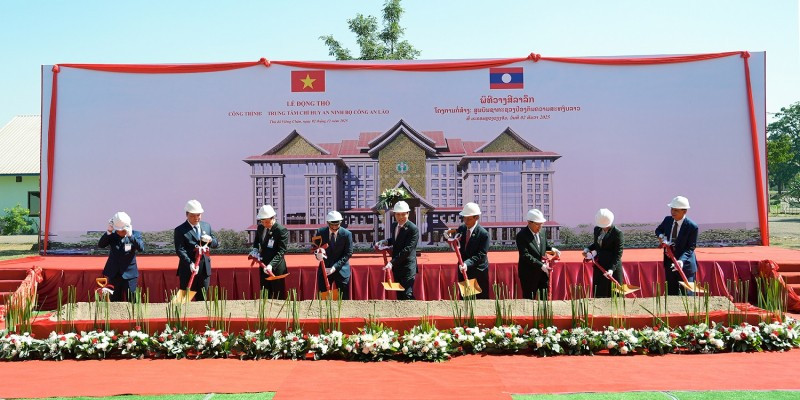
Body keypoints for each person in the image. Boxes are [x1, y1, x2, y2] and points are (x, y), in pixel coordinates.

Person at [174, 199, 219, 301]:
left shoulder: (206, 226)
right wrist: (190, 263)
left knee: (203, 300)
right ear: (187, 215)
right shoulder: (180, 230)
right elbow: (180, 250)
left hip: (204, 269)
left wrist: (211, 240)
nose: (196, 218)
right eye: (192, 215)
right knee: (184, 299)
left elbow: (215, 243)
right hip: (188, 269)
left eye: (198, 215)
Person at [655, 196, 698, 295]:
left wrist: (681, 261)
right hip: (670, 263)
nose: (673, 212)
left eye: (676, 210)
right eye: (672, 209)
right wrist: (661, 235)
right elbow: (658, 229)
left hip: (685, 265)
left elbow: (690, 247)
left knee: (687, 295)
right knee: (671, 294)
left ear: (684, 211)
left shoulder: (692, 226)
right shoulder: (668, 220)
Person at [98, 211, 144, 302]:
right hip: (114, 273)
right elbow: (101, 245)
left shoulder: (135, 234)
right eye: (118, 231)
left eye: (122, 231)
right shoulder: (112, 236)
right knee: (114, 299)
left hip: (129, 274)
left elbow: (141, 248)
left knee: (132, 299)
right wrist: (109, 231)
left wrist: (131, 236)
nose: (120, 233)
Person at [450, 202, 491, 299]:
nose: (466, 221)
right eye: (464, 218)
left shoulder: (483, 234)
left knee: (478, 300)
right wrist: (449, 237)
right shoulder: (462, 229)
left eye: (469, 219)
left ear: (476, 218)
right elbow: (457, 241)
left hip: (477, 271)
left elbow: (481, 255)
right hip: (463, 270)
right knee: (466, 300)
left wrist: (467, 264)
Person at [516, 209, 559, 299]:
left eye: (541, 224)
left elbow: (545, 247)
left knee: (544, 299)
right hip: (529, 274)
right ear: (529, 223)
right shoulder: (521, 235)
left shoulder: (542, 232)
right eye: (537, 224)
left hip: (543, 274)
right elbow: (525, 255)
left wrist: (553, 250)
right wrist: (541, 265)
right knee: (529, 300)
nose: (540, 227)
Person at [380, 201, 419, 300]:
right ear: (394, 214)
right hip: (397, 267)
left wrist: (391, 262)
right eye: (398, 214)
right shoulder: (394, 225)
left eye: (403, 214)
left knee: (407, 294)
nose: (400, 217)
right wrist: (385, 242)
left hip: (407, 267)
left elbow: (407, 249)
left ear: (408, 214)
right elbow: (396, 240)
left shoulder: (413, 229)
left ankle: (414, 314)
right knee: (399, 294)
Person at [250, 204, 289, 299]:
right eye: (263, 222)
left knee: (278, 296)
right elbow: (257, 241)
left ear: (273, 218)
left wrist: (271, 265)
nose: (265, 225)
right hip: (263, 265)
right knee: (265, 294)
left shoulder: (281, 230)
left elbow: (281, 251)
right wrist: (255, 249)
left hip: (276, 268)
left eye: (267, 222)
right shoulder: (260, 227)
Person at [583, 208, 623, 298]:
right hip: (599, 265)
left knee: (614, 295)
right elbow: (597, 244)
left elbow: (618, 254)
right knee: (600, 293)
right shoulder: (597, 230)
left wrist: (611, 269)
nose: (604, 227)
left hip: (613, 267)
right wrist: (587, 249)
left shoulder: (617, 233)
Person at [312, 211, 353, 299]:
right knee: (323, 299)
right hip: (325, 269)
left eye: (337, 225)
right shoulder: (320, 232)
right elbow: (315, 247)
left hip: (342, 270)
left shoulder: (347, 234)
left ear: (340, 223)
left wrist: (334, 267)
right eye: (332, 225)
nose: (334, 227)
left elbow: (348, 253)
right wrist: (318, 254)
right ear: (328, 223)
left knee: (344, 300)